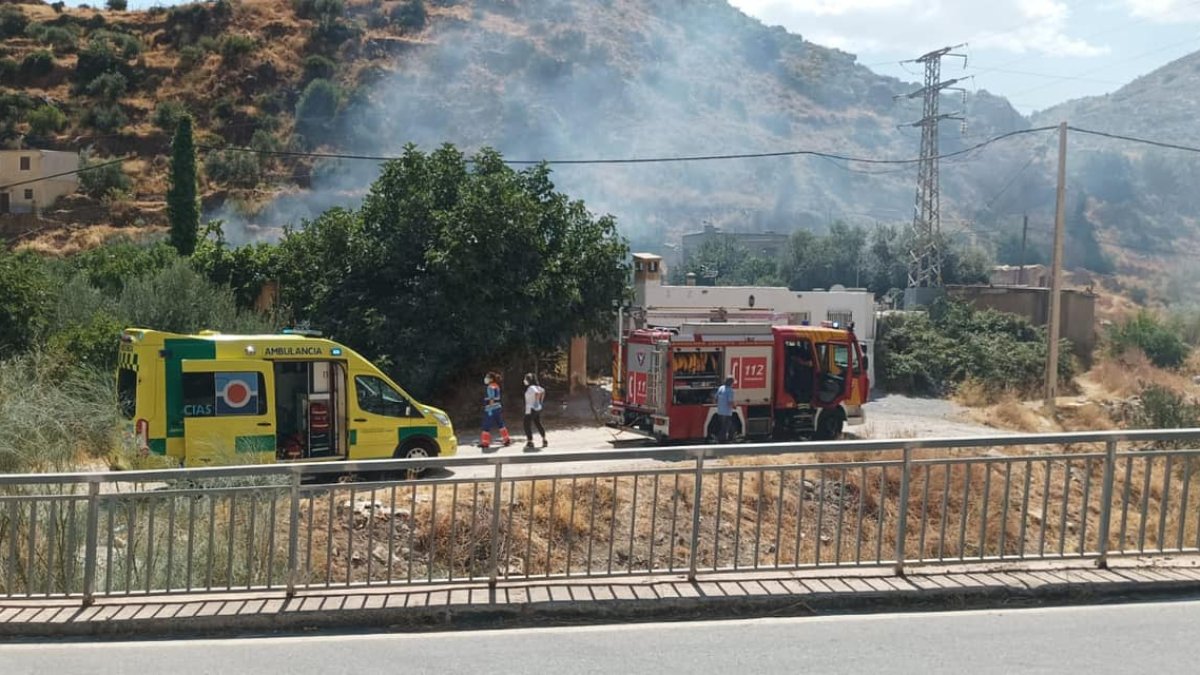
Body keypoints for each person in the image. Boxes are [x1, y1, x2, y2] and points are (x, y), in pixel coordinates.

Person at [479, 371, 512, 450]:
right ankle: (506, 440)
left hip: (492, 408)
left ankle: (485, 443)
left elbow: (491, 398)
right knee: (500, 424)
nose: (485, 379)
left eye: (487, 377)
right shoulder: (496, 386)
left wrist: (489, 408)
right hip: (498, 407)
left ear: (491, 379)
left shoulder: (490, 387)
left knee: (486, 425)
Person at [522, 373, 548, 450]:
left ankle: (530, 441)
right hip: (537, 409)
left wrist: (536, 402)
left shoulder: (531, 387)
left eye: (526, 379)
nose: (525, 381)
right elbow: (543, 391)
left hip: (531, 409)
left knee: (526, 424)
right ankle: (544, 439)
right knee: (538, 423)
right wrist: (540, 402)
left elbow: (537, 393)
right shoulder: (538, 387)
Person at [715, 376, 735, 443]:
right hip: (727, 412)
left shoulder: (721, 388)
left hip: (720, 411)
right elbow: (730, 402)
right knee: (725, 427)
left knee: (728, 426)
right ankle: (721, 441)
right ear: (731, 383)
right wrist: (734, 406)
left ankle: (730, 439)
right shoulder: (730, 390)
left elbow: (716, 398)